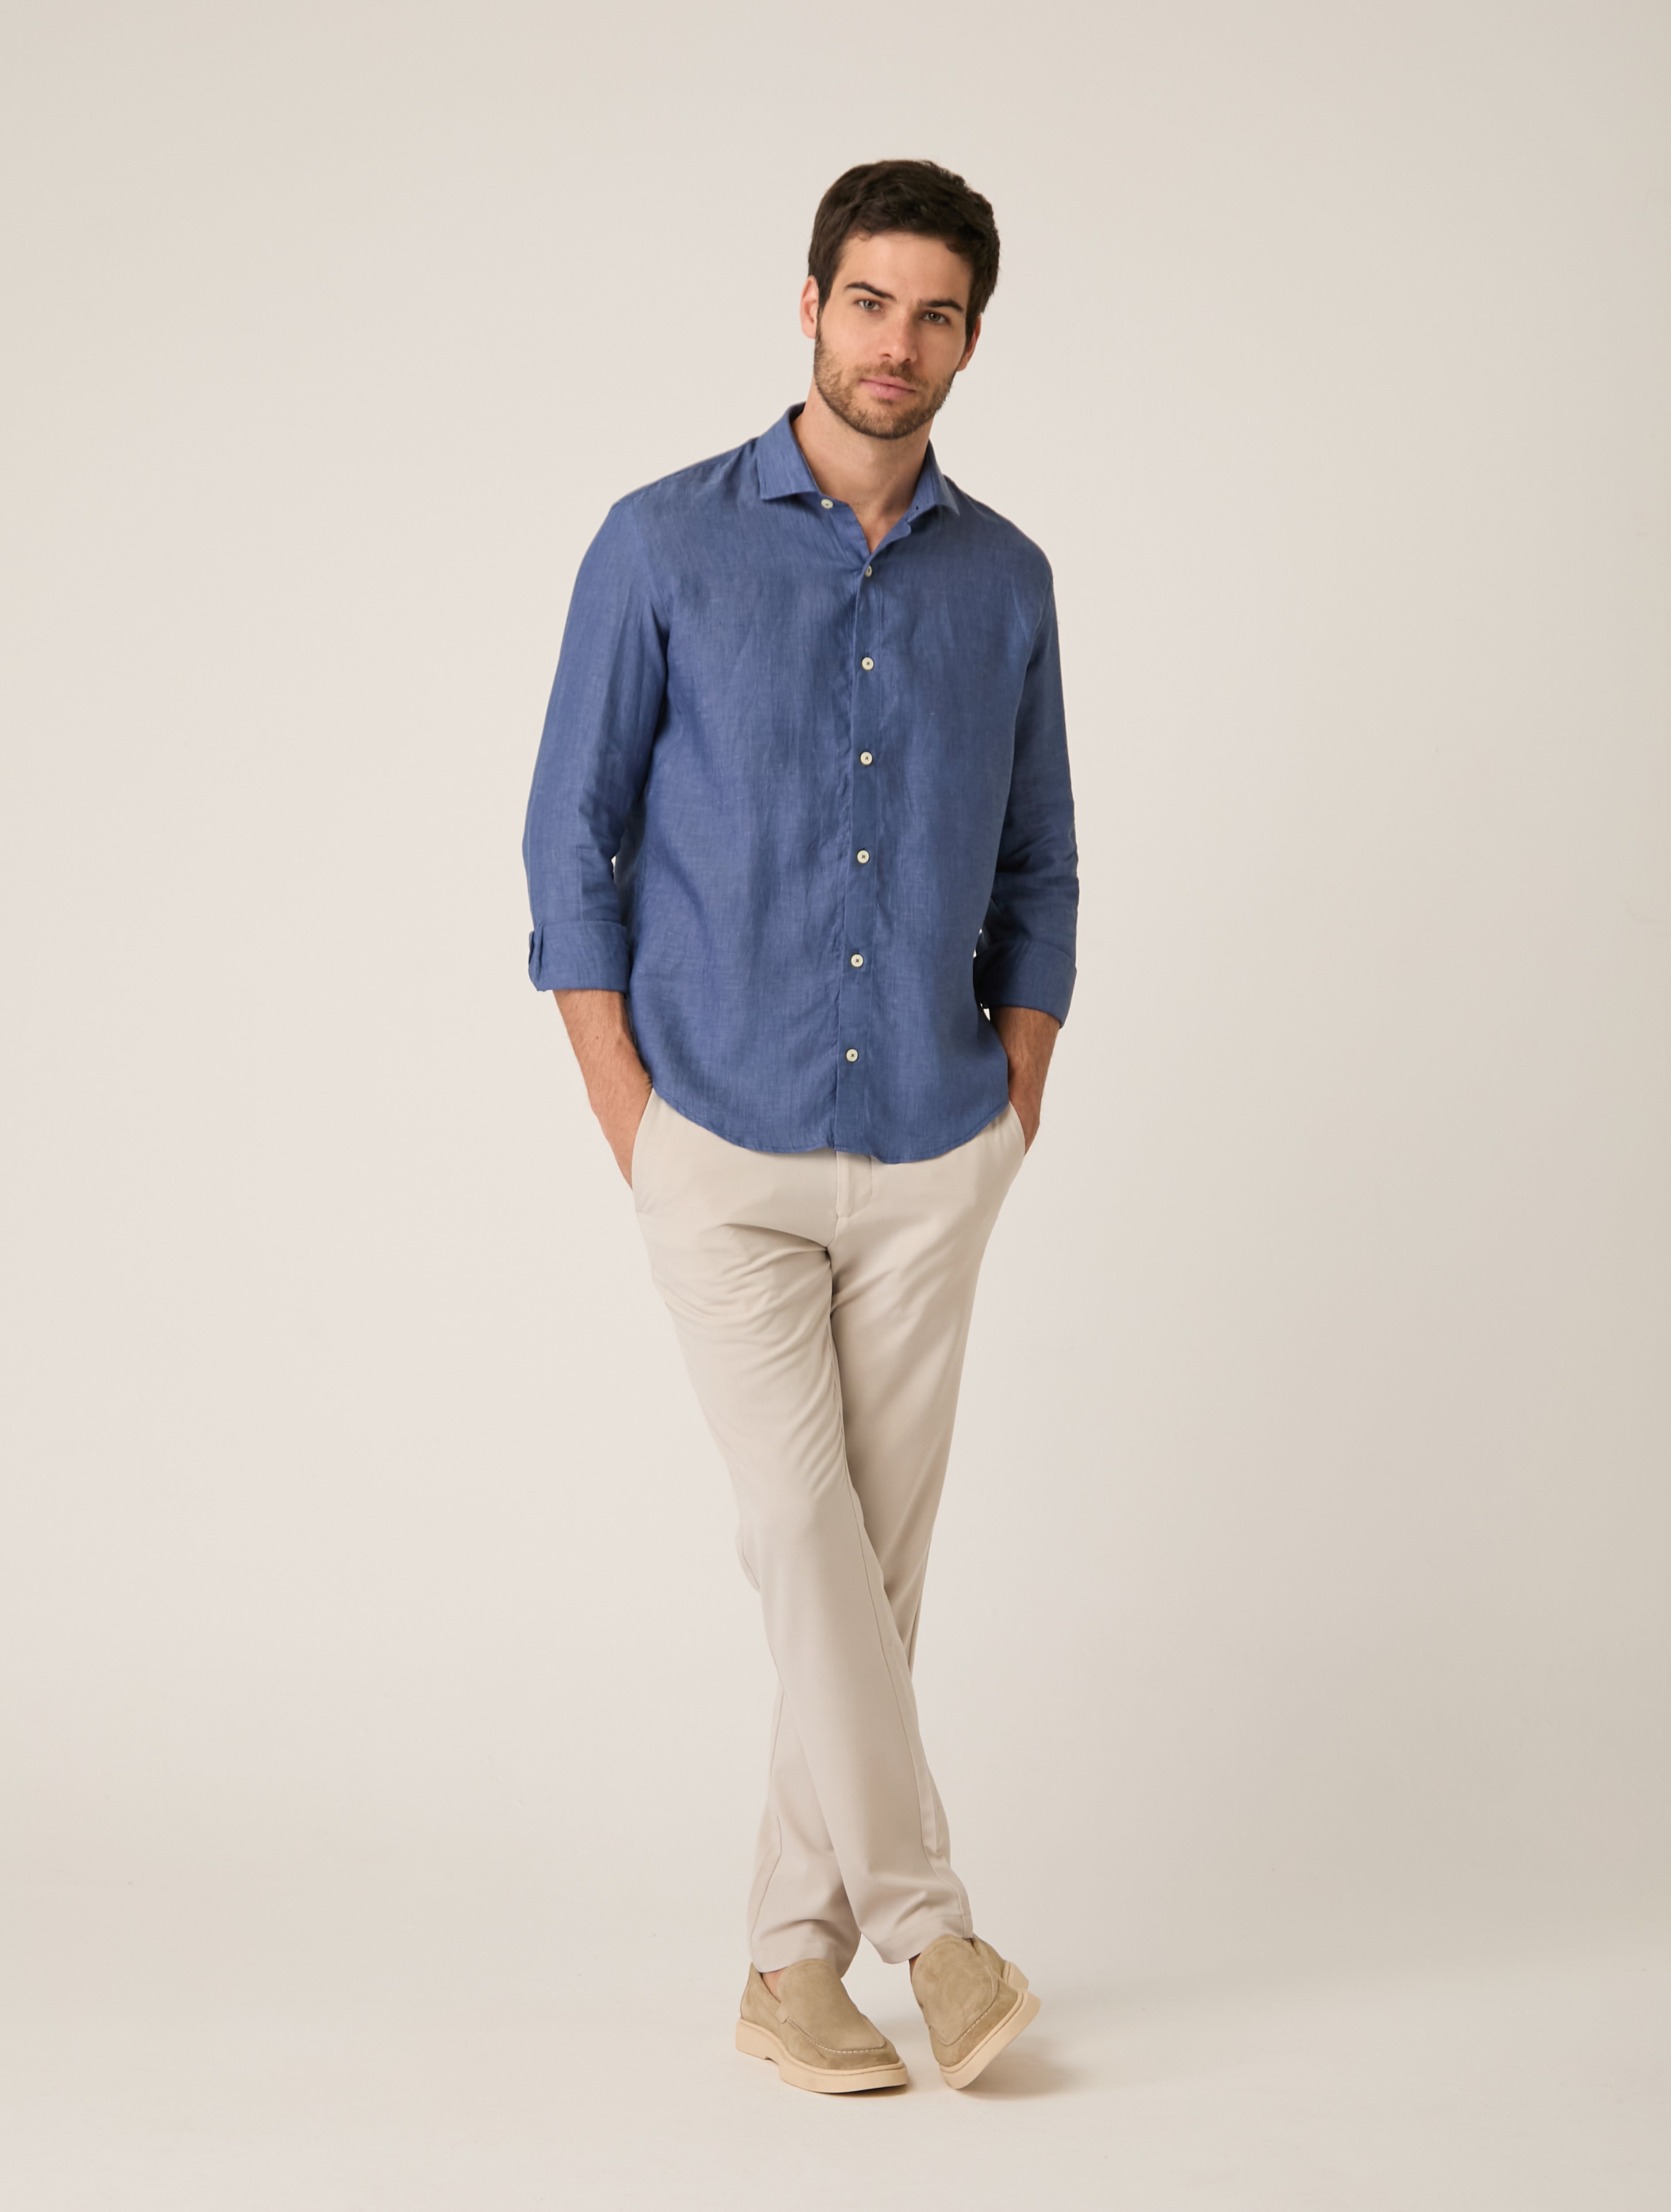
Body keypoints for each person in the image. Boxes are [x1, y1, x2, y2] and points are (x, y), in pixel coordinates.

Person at [522, 158, 1078, 2094]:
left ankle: (787, 1965)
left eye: (934, 314)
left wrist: (1015, 1092)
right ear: (810, 304)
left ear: (971, 340)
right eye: (867, 301)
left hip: (933, 1136)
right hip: (717, 1134)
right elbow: (567, 843)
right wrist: (633, 1117)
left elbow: (1041, 859)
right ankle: (933, 1929)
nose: (893, 344)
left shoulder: (1006, 581)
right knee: (800, 1530)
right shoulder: (659, 545)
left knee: (866, 1574)